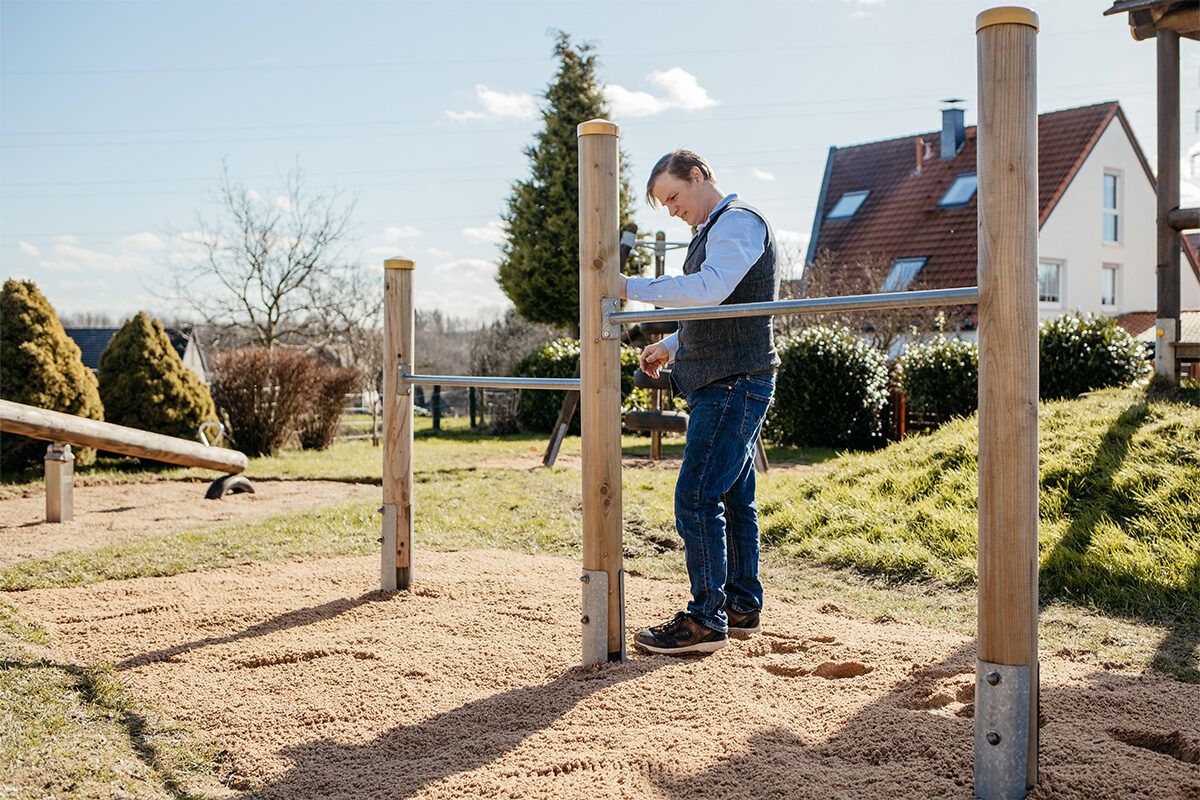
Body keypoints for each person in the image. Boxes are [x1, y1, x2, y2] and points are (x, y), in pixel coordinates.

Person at [621, 149, 779, 656]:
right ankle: (740, 605)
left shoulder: (739, 222)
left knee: (696, 497)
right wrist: (671, 346)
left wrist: (626, 286)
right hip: (730, 378)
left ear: (698, 176)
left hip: (733, 382)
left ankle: (706, 619)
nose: (672, 210)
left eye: (673, 197)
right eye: (665, 204)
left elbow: (710, 290)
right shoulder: (715, 228)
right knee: (732, 498)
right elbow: (718, 307)